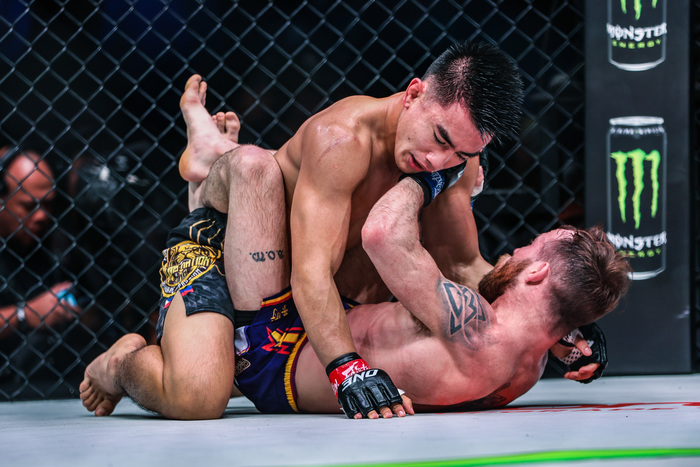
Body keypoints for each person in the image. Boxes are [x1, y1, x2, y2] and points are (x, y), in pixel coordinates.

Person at [79, 166, 631, 418]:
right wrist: (573, 324)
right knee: (264, 176)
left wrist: (435, 175)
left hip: (276, 355)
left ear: (537, 275)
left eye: (528, 249)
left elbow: (383, 233)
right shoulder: (529, 367)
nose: (513, 251)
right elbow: (480, 274)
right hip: (318, 322)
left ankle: (119, 362)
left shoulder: (474, 325)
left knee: (196, 400)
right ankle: (209, 169)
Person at [176, 40, 524, 418]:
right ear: (413, 94)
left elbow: (461, 265)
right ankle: (127, 353)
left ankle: (213, 153)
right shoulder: (342, 138)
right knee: (198, 398)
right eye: (440, 138)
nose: (437, 160)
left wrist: (554, 321)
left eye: (461, 153)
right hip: (246, 253)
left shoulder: (456, 162)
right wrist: (346, 368)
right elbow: (311, 273)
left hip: (326, 291)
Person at [0, 146, 79, 340]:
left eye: (47, 204)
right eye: (29, 206)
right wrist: (25, 315)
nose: (42, 216)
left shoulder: (54, 241)